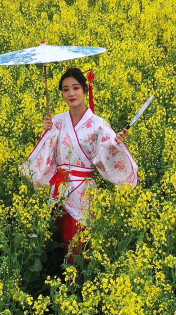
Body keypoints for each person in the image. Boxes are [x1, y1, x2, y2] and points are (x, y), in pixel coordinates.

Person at [21, 67, 138, 261]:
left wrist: (116, 143)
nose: (71, 93)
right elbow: (49, 155)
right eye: (66, 89)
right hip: (58, 190)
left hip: (82, 192)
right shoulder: (56, 121)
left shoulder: (98, 124)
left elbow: (105, 152)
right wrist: (47, 133)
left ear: (85, 89)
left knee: (77, 244)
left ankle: (76, 283)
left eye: (76, 88)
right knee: (57, 241)